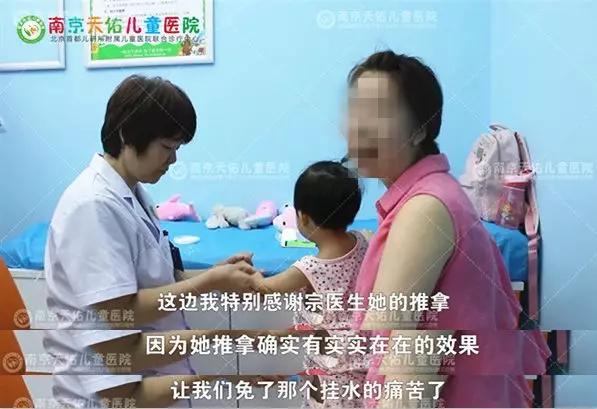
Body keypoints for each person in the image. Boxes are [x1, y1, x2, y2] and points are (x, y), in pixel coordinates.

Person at [43, 75, 263, 407]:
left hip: (143, 380)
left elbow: (152, 282)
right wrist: (210, 285)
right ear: (127, 134)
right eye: (167, 148)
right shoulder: (92, 206)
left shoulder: (133, 194)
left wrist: (215, 276)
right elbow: (119, 312)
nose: (173, 161)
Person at [346, 51, 551, 408]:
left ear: (419, 130)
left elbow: (408, 374)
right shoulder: (431, 195)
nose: (358, 128)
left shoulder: (424, 211)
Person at [254, 161, 369, 408]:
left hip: (332, 380)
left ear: (303, 218)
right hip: (362, 372)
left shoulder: (310, 268)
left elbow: (264, 289)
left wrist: (244, 274)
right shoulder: (363, 243)